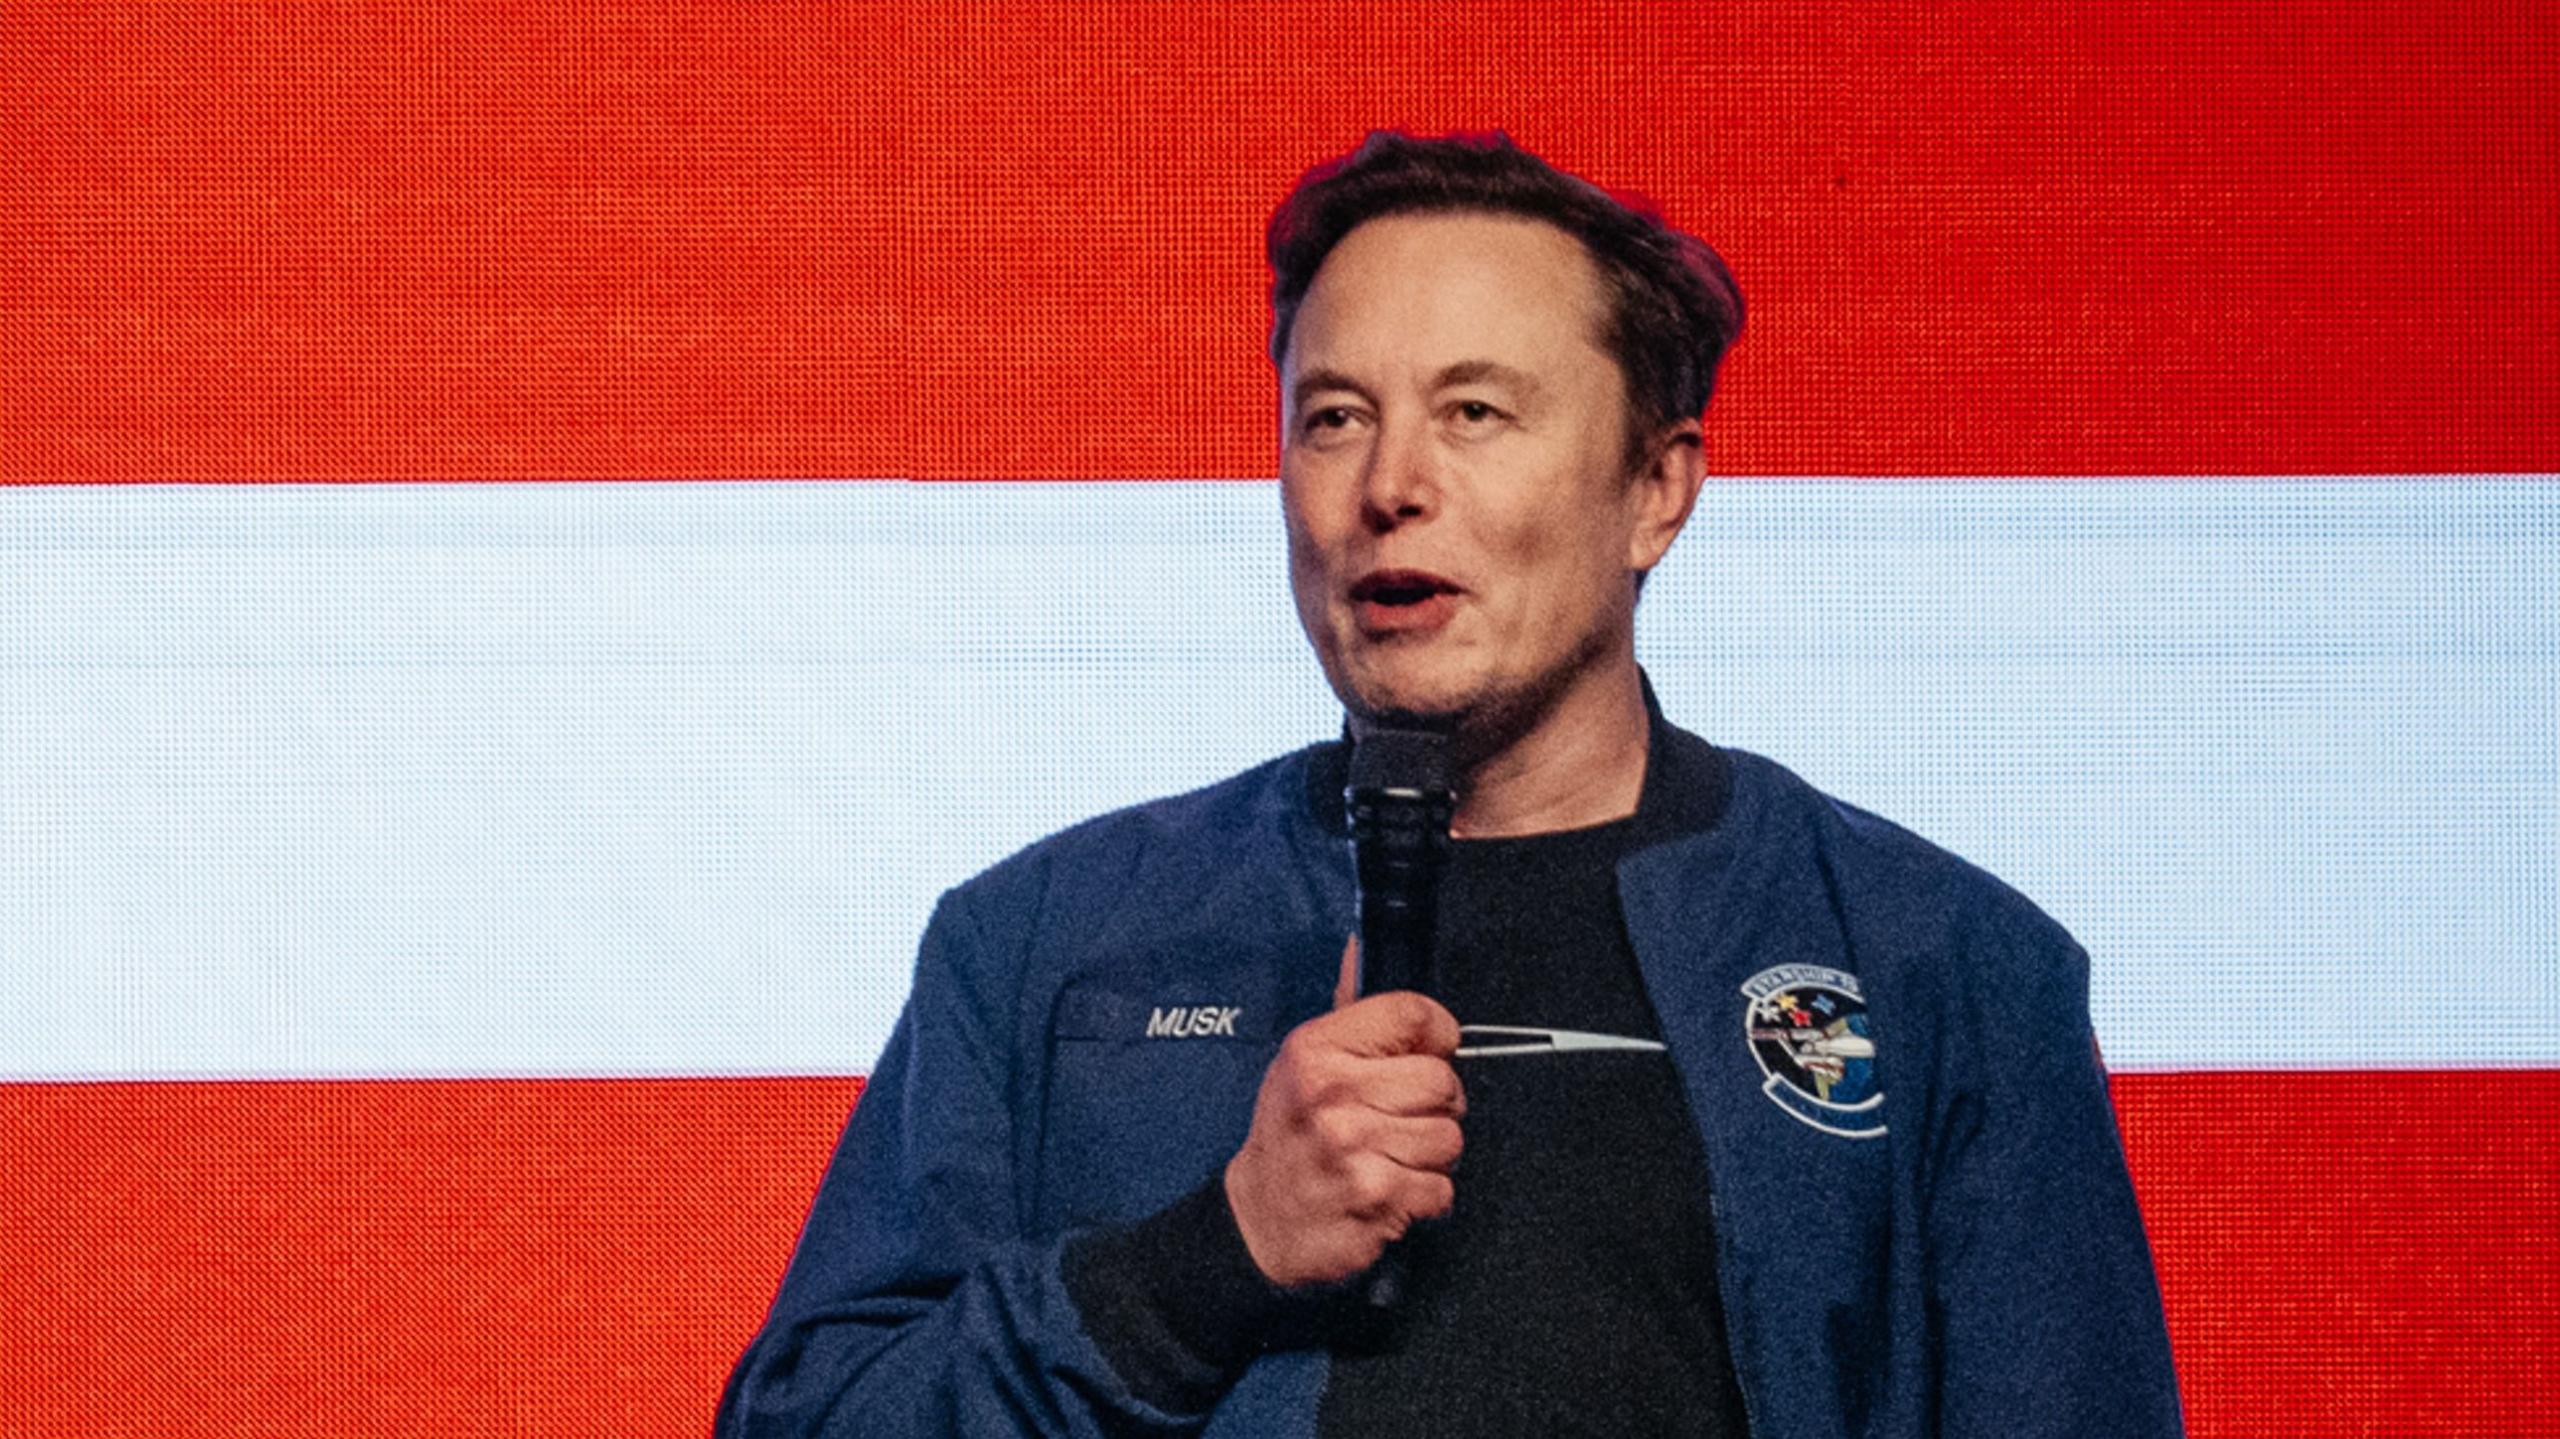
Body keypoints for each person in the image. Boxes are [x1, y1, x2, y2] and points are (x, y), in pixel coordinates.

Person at [717, 132, 2184, 1437]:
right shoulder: (1043, 940)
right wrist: (1209, 1259)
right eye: (1333, 417)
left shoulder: (1945, 965)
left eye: (1476, 413)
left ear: (1656, 491)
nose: (1388, 486)